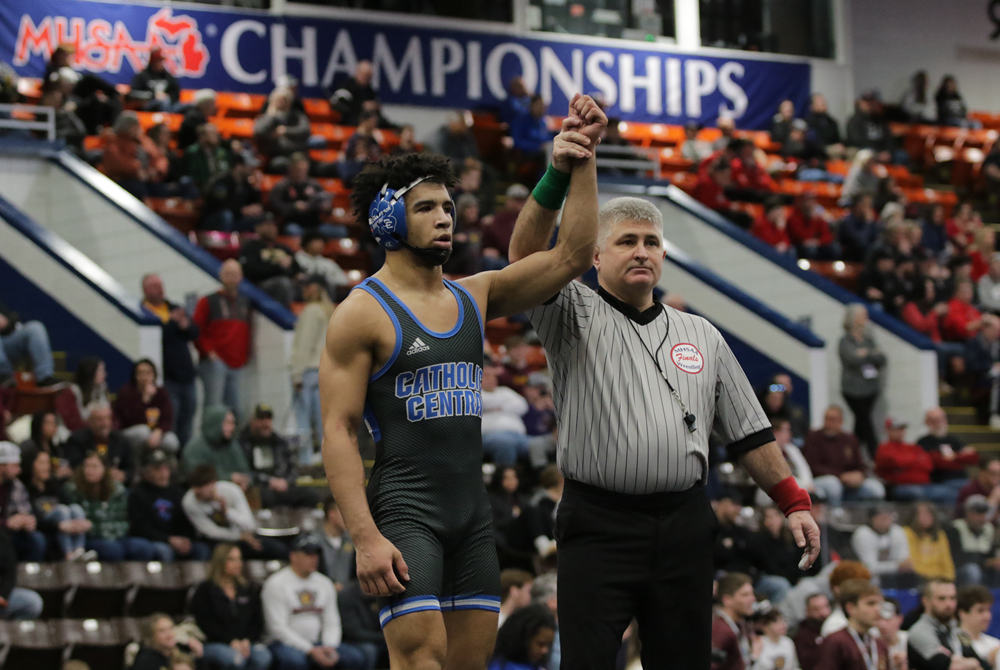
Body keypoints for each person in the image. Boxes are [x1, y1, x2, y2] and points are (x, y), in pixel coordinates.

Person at [510, 129, 820, 670]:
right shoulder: (571, 312)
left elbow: (750, 430)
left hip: (683, 523)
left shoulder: (702, 334)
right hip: (598, 521)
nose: (642, 252)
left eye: (652, 242)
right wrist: (561, 172)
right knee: (586, 662)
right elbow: (525, 257)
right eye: (627, 241)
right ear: (596, 254)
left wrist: (793, 501)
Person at [320, 95, 604, 670]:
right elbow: (339, 429)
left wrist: (579, 158)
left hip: (471, 515)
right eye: (427, 207)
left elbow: (573, 255)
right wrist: (364, 537)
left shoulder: (474, 295)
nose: (445, 216)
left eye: (448, 206)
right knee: (422, 659)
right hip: (406, 511)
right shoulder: (362, 312)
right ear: (388, 219)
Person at [263, 536, 376, 670]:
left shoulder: (324, 583)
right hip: (283, 644)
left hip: (320, 643)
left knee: (355, 657)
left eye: (315, 554)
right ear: (293, 556)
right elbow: (277, 628)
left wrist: (329, 646)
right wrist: (309, 650)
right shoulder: (276, 583)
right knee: (295, 662)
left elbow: (332, 621)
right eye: (308, 554)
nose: (314, 559)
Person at [191, 543, 272, 670]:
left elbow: (257, 620)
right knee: (234, 659)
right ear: (220, 562)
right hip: (215, 643)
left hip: (246, 642)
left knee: (262, 657)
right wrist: (230, 641)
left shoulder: (248, 589)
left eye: (239, 559)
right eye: (232, 559)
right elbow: (205, 624)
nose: (238, 563)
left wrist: (247, 640)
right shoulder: (205, 590)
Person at [63, 452, 155, 561]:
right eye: (86, 466)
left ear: (105, 470)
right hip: (91, 539)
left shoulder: (117, 491)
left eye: (94, 467)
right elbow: (81, 525)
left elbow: (124, 522)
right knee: (112, 549)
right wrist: (94, 528)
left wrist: (97, 528)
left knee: (144, 547)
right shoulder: (74, 491)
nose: (89, 470)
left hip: (116, 536)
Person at [182, 464, 286, 560]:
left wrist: (226, 512)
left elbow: (249, 524)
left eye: (200, 487)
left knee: (277, 549)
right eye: (193, 487)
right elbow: (211, 532)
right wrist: (240, 537)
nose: (196, 491)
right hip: (215, 540)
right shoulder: (189, 502)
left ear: (213, 484)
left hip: (243, 533)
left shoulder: (231, 491)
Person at [141, 274, 199, 447]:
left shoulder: (173, 308)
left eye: (160, 285)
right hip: (168, 376)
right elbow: (157, 336)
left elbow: (194, 333)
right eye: (154, 286)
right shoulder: (144, 311)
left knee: (187, 421)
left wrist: (185, 325)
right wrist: (173, 324)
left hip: (187, 375)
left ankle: (186, 457)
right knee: (171, 420)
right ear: (145, 290)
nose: (160, 289)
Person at [128, 448, 210, 563]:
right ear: (145, 472)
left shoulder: (178, 492)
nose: (164, 473)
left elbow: (187, 520)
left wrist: (185, 539)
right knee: (164, 551)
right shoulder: (137, 494)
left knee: (201, 549)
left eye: (166, 468)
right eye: (157, 469)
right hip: (154, 541)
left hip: (177, 539)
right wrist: (168, 539)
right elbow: (140, 528)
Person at [193, 259, 253, 417]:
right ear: (220, 276)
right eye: (227, 274)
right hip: (215, 362)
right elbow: (196, 330)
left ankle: (231, 441)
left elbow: (248, 332)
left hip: (237, 363)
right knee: (214, 408)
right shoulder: (207, 301)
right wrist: (208, 352)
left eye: (234, 274)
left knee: (236, 410)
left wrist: (246, 355)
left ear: (240, 277)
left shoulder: (245, 303)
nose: (231, 278)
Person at [291, 275, 337, 463]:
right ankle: (330, 461)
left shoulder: (311, 311)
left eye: (307, 286)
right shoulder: (330, 311)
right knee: (324, 421)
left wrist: (296, 373)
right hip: (324, 370)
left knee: (302, 421)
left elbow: (305, 345)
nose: (304, 289)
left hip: (307, 371)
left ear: (315, 288)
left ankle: (305, 461)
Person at [237, 404, 318, 508]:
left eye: (268, 418)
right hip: (261, 487)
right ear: (253, 421)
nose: (266, 423)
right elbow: (244, 471)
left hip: (283, 484)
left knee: (310, 495)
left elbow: (292, 468)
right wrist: (269, 481)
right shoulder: (242, 443)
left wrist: (285, 481)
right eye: (261, 419)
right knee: (264, 497)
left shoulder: (279, 442)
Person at [802, 405, 886, 506]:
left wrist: (859, 474)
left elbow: (859, 463)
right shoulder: (813, 437)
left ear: (841, 421)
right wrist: (840, 476)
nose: (828, 423)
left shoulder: (849, 439)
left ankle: (873, 518)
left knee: (875, 488)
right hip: (824, 480)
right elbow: (813, 465)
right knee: (833, 484)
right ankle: (837, 514)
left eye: (832, 419)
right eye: (826, 418)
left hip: (849, 482)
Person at [21, 447, 91, 561]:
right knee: (61, 510)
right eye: (42, 463)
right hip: (45, 527)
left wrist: (83, 523)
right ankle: (68, 555)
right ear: (31, 464)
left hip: (64, 526)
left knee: (76, 508)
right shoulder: (25, 489)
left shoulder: (53, 485)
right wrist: (59, 526)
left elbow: (69, 505)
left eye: (48, 463)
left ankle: (79, 551)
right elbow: (32, 518)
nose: (47, 467)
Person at [839, 304, 886, 456]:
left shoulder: (868, 338)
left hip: (870, 388)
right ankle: (875, 454)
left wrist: (864, 353)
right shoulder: (845, 340)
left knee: (861, 423)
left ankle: (854, 456)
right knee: (865, 421)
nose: (866, 318)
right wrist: (870, 354)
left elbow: (881, 358)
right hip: (852, 389)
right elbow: (851, 359)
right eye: (862, 315)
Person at [876, 417, 958, 504]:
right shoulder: (884, 448)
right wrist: (915, 460)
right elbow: (894, 462)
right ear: (888, 430)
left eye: (902, 428)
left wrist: (905, 462)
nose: (901, 431)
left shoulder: (913, 447)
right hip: (900, 486)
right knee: (916, 494)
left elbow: (928, 465)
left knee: (950, 493)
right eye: (897, 429)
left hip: (925, 485)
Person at [907, 579, 985, 670]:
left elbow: (980, 662)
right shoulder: (919, 631)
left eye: (952, 598)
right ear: (925, 601)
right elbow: (944, 665)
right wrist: (970, 664)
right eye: (941, 598)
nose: (948, 604)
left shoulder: (957, 630)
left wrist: (971, 663)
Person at [113, 358, 180, 461]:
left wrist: (159, 432)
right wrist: (145, 399)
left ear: (154, 375)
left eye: (148, 373)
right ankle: (135, 465)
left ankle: (160, 466)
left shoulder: (161, 393)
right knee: (142, 432)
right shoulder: (126, 392)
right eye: (141, 373)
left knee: (172, 441)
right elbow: (130, 420)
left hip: (154, 433)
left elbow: (167, 418)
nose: (145, 377)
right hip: (131, 432)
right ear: (135, 376)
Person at [814, 580, 888, 670]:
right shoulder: (835, 642)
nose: (877, 609)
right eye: (870, 603)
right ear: (850, 608)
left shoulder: (880, 645)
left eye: (879, 604)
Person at [268, 153, 338, 238]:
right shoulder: (281, 187)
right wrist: (294, 207)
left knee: (340, 231)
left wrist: (327, 207)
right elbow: (276, 207)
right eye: (298, 170)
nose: (302, 173)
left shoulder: (314, 184)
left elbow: (326, 203)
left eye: (304, 169)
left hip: (315, 224)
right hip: (294, 224)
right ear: (290, 168)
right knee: (292, 230)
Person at [238, 215, 301, 307]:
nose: (272, 228)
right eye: (267, 225)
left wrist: (292, 271)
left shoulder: (283, 247)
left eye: (274, 225)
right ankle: (283, 317)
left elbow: (295, 267)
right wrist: (278, 267)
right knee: (283, 283)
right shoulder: (251, 247)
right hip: (260, 285)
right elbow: (250, 271)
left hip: (286, 280)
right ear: (258, 228)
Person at [181, 406, 250, 487]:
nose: (232, 427)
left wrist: (244, 480)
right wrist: (229, 478)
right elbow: (196, 475)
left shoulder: (232, 445)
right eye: (227, 423)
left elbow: (244, 470)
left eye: (233, 423)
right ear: (215, 423)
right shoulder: (195, 448)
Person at [63, 403, 133, 483]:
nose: (105, 423)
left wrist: (123, 475)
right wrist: (102, 473)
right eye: (100, 419)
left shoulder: (121, 440)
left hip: (115, 486)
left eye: (107, 418)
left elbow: (131, 469)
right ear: (90, 421)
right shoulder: (76, 440)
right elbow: (74, 467)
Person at [0, 442, 46, 562]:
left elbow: (25, 509)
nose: (19, 470)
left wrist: (27, 520)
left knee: (37, 539)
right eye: (14, 465)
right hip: (3, 530)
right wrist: (7, 523)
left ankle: (28, 574)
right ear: (2, 465)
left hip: (12, 532)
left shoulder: (16, 485)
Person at [851, 506, 916, 589]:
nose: (885, 520)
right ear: (872, 519)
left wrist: (900, 566)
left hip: (893, 579)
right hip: (862, 579)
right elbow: (869, 568)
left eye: (888, 516)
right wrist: (896, 567)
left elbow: (904, 561)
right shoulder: (863, 534)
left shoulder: (897, 531)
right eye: (881, 517)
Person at [918, 407, 979, 493]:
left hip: (961, 479)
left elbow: (973, 458)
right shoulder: (923, 442)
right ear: (927, 422)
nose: (938, 423)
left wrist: (953, 457)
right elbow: (936, 462)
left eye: (941, 419)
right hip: (940, 481)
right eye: (934, 420)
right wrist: (959, 458)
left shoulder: (953, 440)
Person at [201, 154, 266, 233]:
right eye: (248, 166)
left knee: (262, 218)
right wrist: (242, 210)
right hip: (215, 219)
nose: (252, 170)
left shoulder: (245, 183)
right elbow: (221, 205)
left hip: (235, 219)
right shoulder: (222, 181)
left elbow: (255, 204)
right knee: (227, 215)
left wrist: (257, 187)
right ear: (238, 166)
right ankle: (226, 244)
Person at [254, 87, 312, 173]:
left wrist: (285, 131)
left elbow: (306, 131)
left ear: (290, 102)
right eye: (278, 99)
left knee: (316, 166)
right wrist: (271, 115)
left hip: (298, 153)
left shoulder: (297, 116)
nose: (281, 102)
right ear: (272, 101)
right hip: (276, 155)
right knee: (280, 164)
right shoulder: (266, 117)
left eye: (284, 100)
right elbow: (259, 131)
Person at [947, 495, 1000, 587]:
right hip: (960, 571)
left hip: (985, 570)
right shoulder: (955, 528)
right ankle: (971, 599)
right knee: (972, 570)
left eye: (984, 512)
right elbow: (956, 558)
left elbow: (992, 552)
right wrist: (985, 562)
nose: (981, 517)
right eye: (977, 513)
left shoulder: (988, 528)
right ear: (968, 513)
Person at [0, 303, 56, 387]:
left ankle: (44, 378)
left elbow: (12, 318)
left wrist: (7, 322)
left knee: (35, 328)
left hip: (6, 343)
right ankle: (4, 377)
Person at [490, 604, 558, 670]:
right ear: (523, 638)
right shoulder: (498, 665)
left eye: (548, 645)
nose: (545, 650)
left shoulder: (536, 665)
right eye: (540, 644)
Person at [712, 572, 757, 670]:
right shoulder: (720, 630)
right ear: (727, 599)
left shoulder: (741, 624)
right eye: (745, 595)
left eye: (752, 594)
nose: (753, 599)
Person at [309, 496, 356, 588]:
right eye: (344, 512)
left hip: (349, 593)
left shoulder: (353, 540)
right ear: (331, 514)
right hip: (321, 590)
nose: (349, 517)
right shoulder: (313, 540)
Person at [482, 184, 531, 269]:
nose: (519, 204)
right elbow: (489, 242)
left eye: (522, 200)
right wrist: (488, 249)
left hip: (523, 259)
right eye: (516, 200)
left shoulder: (530, 220)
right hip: (502, 257)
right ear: (508, 200)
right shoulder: (498, 219)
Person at [131, 613, 204, 670]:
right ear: (152, 636)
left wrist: (198, 657)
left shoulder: (183, 651)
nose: (169, 635)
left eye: (171, 628)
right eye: (162, 631)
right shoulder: (145, 660)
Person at [905, 502, 956, 582]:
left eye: (929, 514)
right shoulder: (906, 533)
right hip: (918, 578)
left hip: (939, 578)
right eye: (922, 514)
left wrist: (948, 579)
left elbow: (946, 561)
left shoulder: (939, 534)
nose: (927, 517)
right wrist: (931, 577)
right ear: (914, 516)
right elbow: (911, 562)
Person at [0, 530, 42, 620]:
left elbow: (9, 572)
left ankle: (10, 632)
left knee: (32, 602)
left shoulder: (2, 537)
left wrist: (3, 595)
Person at [957, 585, 1000, 668]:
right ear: (963, 614)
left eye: (989, 610)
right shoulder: (953, 641)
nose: (987, 616)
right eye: (980, 611)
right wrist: (988, 663)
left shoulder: (995, 644)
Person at [330, 61, 383, 127]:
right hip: (348, 121)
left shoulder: (370, 91)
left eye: (369, 76)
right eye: (365, 75)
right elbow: (337, 105)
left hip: (368, 122)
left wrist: (376, 108)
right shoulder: (346, 88)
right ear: (358, 73)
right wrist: (361, 106)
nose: (367, 78)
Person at [184, 123, 232, 194]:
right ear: (202, 136)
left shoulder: (222, 152)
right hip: (201, 186)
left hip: (220, 185)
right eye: (212, 134)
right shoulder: (193, 152)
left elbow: (226, 170)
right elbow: (193, 174)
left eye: (216, 134)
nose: (216, 136)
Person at [793, 593, 831, 670]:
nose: (823, 613)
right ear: (807, 611)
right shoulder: (802, 636)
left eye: (825, 607)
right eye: (816, 609)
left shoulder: (838, 628)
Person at [838, 196, 880, 263]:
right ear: (857, 206)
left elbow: (877, 240)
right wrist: (868, 223)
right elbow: (861, 243)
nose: (869, 209)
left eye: (870, 205)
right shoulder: (847, 222)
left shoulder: (871, 222)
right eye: (866, 205)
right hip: (852, 257)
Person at [805, 94, 844, 158]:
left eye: (824, 102)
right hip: (819, 150)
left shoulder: (831, 121)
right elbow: (811, 142)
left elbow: (837, 139)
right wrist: (825, 148)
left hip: (834, 147)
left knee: (853, 152)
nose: (824, 104)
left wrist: (840, 145)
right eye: (820, 102)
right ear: (813, 106)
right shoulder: (808, 122)